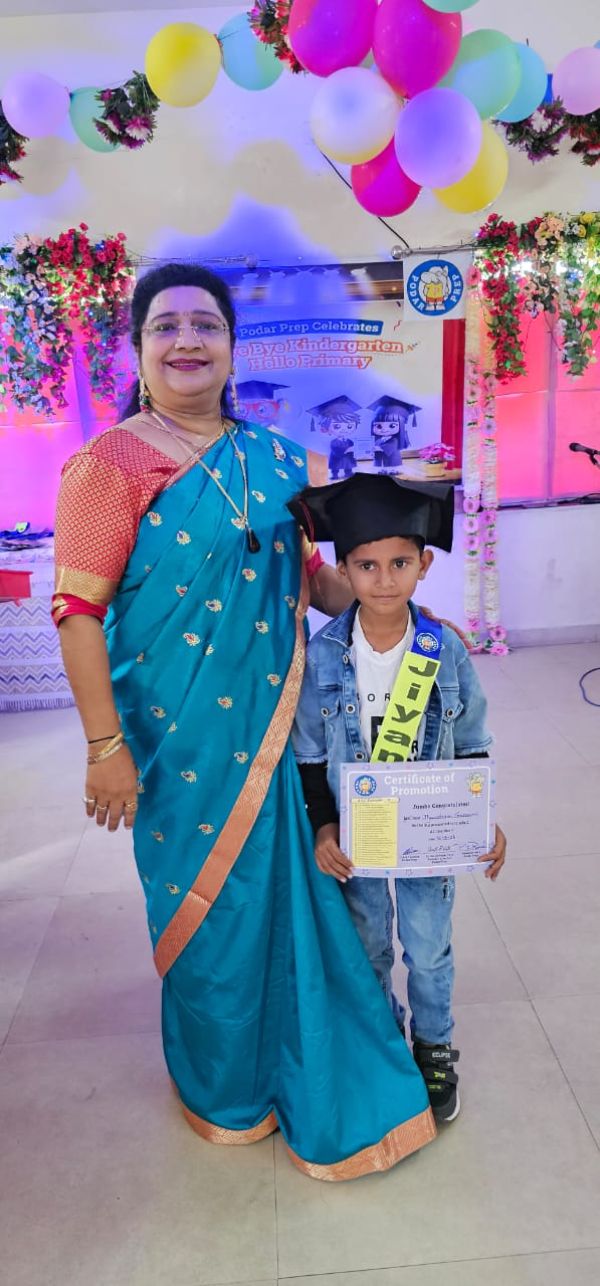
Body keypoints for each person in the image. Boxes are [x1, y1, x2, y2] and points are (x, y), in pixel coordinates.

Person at [52, 263, 441, 1181]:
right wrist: (105, 747)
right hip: (174, 739)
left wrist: (390, 589)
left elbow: (315, 587)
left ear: (232, 346)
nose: (186, 341)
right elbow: (77, 614)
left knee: (288, 895)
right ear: (139, 349)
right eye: (165, 326)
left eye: (206, 325)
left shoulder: (279, 459)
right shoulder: (108, 466)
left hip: (280, 729)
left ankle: (302, 1057)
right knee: (210, 912)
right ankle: (225, 1084)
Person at [290, 473, 507, 1125]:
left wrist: (482, 821)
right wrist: (323, 827)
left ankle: (433, 1047)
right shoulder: (323, 656)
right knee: (368, 947)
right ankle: (382, 1040)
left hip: (430, 836)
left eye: (399, 564)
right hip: (359, 837)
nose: (384, 580)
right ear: (343, 569)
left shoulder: (445, 650)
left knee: (428, 948)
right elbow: (309, 755)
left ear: (424, 565)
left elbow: (473, 742)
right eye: (366, 565)